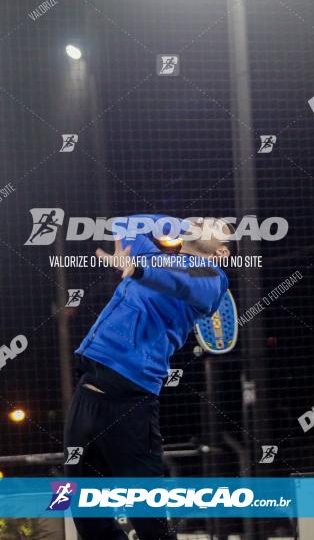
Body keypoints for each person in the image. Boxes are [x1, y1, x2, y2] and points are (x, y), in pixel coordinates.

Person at [64, 214, 233, 540]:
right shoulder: (155, 256)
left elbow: (179, 283)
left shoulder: (210, 277)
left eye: (216, 226)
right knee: (84, 509)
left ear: (221, 252)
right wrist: (169, 223)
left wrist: (139, 270)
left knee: (147, 519)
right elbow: (124, 224)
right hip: (88, 389)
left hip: (131, 399)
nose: (205, 221)